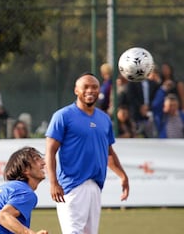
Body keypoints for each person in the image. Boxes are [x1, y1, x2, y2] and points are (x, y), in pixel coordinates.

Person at [45, 73, 129, 234]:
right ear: (76, 90)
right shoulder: (63, 116)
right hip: (71, 186)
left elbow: (108, 153)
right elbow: (50, 151)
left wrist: (122, 175)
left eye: (95, 87)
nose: (90, 90)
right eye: (86, 87)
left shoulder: (104, 119)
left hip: (96, 186)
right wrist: (53, 182)